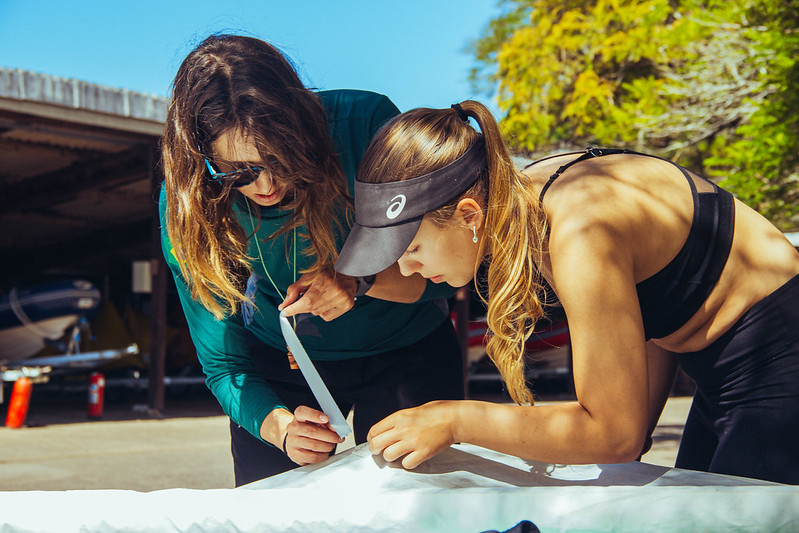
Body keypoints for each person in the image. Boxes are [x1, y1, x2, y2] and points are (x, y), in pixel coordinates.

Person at [335, 100, 799, 485]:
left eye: (412, 247)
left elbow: (611, 431)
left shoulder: (578, 232)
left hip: (779, 352)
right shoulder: (531, 200)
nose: (405, 268)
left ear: (470, 215)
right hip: (725, 366)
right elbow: (653, 321)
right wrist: (631, 435)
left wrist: (454, 421)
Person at [159, 34, 464, 486]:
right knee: (272, 513)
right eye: (238, 172)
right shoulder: (189, 205)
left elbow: (444, 279)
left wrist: (357, 280)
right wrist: (278, 427)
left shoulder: (366, 123)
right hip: (280, 367)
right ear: (204, 160)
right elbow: (224, 363)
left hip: (409, 348)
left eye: (280, 157)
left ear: (302, 125)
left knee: (419, 507)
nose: (265, 185)